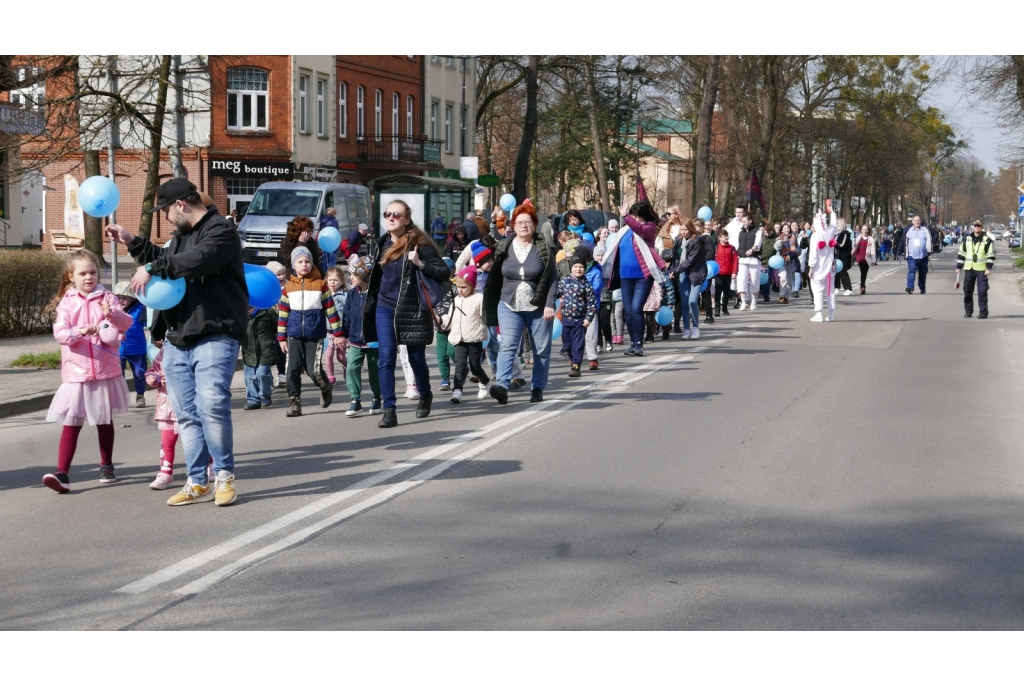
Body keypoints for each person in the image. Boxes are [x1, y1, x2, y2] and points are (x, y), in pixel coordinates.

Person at [108, 177, 247, 507]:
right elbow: (167, 257)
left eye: (166, 211)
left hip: (216, 332)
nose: (166, 218)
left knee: (212, 405)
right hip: (178, 335)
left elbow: (195, 260)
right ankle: (197, 481)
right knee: (185, 414)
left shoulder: (221, 231)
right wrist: (132, 241)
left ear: (181, 206)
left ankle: (224, 477)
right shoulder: (181, 236)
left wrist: (152, 266)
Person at [41, 250, 132, 493]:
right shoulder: (67, 303)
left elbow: (126, 324)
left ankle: (107, 465)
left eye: (92, 272)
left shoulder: (108, 297)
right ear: (71, 276)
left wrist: (111, 313)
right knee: (72, 421)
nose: (89, 277)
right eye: (83, 273)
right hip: (76, 372)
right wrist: (80, 332)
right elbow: (61, 334)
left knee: (104, 419)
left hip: (104, 368)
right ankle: (62, 472)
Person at [362, 199, 450, 427]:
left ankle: (425, 393)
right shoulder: (380, 244)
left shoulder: (420, 243)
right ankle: (389, 409)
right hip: (385, 307)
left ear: (407, 220)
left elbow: (443, 272)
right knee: (386, 358)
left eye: (396, 215)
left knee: (416, 358)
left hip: (412, 308)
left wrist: (420, 263)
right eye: (387, 214)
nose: (391, 218)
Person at [483, 200, 557, 404]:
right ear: (513, 225)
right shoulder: (504, 246)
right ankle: (503, 386)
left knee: (540, 349)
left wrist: (550, 303)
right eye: (520, 222)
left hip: (538, 305)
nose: (524, 225)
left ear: (534, 225)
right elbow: (494, 272)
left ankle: (537, 387)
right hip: (509, 304)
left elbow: (552, 277)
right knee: (507, 345)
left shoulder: (543, 248)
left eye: (528, 222)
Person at [277, 246, 341, 417]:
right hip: (294, 335)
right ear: (293, 265)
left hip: (315, 334)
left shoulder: (321, 285)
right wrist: (282, 338)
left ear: (312, 264)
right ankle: (294, 402)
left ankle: (325, 387)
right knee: (292, 369)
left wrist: (338, 334)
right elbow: (282, 315)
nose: (304, 264)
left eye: (307, 261)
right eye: (300, 262)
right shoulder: (288, 288)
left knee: (314, 370)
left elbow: (331, 311)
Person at [601, 200, 666, 357]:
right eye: (632, 215)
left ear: (642, 216)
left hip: (643, 277)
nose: (633, 218)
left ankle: (639, 344)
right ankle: (632, 343)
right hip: (625, 277)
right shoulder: (624, 231)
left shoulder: (648, 228)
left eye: (636, 215)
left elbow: (639, 230)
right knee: (628, 312)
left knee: (636, 309)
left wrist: (625, 216)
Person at [338, 257, 381, 416]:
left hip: (374, 340)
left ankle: (377, 399)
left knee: (374, 371)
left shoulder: (377, 293)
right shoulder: (351, 294)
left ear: (364, 276)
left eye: (354, 275)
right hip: (355, 340)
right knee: (351, 368)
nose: (350, 278)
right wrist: (343, 335)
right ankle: (355, 400)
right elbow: (347, 316)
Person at [448, 266, 491, 402]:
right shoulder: (456, 300)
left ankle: (485, 383)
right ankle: (457, 390)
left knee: (475, 367)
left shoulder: (479, 298)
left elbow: (486, 317)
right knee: (460, 366)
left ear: (471, 286)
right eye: (458, 287)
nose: (460, 290)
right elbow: (449, 318)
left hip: (474, 338)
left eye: (463, 287)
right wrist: (441, 321)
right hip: (459, 338)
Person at [556, 254, 597, 377]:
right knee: (567, 344)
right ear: (570, 268)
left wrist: (588, 319)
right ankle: (571, 357)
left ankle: (576, 365)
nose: (578, 269)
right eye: (575, 266)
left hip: (580, 320)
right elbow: (556, 294)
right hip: (566, 318)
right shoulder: (564, 282)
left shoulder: (586, 284)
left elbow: (591, 303)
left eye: (581, 267)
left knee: (578, 344)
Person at [670, 219, 707, 340]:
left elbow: (690, 261)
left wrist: (675, 270)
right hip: (683, 274)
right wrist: (672, 270)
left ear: (691, 229)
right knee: (684, 303)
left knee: (692, 301)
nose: (684, 232)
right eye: (682, 229)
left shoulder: (697, 241)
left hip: (696, 273)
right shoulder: (678, 240)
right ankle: (686, 329)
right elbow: (675, 257)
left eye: (686, 229)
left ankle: (695, 327)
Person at [113, 281, 148, 408]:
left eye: (125, 298)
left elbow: (148, 324)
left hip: (137, 348)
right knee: (118, 374)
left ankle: (140, 396)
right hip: (118, 349)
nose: (121, 300)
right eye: (118, 298)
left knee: (139, 374)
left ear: (132, 298)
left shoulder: (140, 309)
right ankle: (119, 398)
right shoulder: (113, 311)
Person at [956, 219, 995, 319]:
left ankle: (983, 312)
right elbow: (962, 253)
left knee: (982, 291)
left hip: (982, 269)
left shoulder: (987, 240)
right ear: (973, 227)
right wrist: (958, 267)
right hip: (969, 268)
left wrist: (988, 268)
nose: (977, 227)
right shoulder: (967, 238)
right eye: (976, 226)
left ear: (982, 227)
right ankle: (968, 311)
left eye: (979, 226)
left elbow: (990, 255)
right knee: (967, 291)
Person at [242, 304, 277, 410]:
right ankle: (253, 400)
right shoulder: (240, 314)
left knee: (261, 374)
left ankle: (265, 396)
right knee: (250, 377)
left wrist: (281, 341)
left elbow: (277, 328)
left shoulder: (268, 312)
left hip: (266, 350)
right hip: (248, 350)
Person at [808, 209, 838, 322]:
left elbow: (813, 254)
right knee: (830, 290)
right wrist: (833, 213)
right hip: (830, 267)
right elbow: (834, 225)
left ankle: (819, 313)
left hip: (818, 268)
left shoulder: (815, 236)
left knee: (818, 290)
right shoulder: (829, 232)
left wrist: (811, 268)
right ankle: (831, 314)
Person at [577, 244, 604, 370]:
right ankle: (574, 358)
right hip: (574, 308)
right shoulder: (574, 270)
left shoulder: (595, 271)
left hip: (590, 307)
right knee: (574, 334)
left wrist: (582, 291)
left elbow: (597, 289)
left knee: (591, 334)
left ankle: (592, 358)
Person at [323, 266, 348, 386]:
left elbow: (348, 305)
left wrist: (339, 297)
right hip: (329, 331)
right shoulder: (325, 295)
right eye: (330, 280)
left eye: (336, 280)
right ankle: (331, 377)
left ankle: (347, 369)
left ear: (342, 281)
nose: (333, 282)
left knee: (341, 357)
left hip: (341, 332)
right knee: (328, 354)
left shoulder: (344, 295)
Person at [266, 261, 288, 388]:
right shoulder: (268, 288)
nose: (281, 277)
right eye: (277, 275)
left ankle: (282, 375)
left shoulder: (288, 287)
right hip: (270, 324)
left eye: (283, 273)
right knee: (268, 352)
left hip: (283, 323)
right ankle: (268, 378)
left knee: (281, 350)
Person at [899, 215, 932, 294]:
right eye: (915, 220)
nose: (917, 222)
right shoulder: (908, 231)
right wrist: (899, 251)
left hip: (923, 255)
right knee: (912, 270)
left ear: (921, 222)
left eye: (918, 220)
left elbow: (933, 236)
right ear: (912, 222)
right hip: (911, 255)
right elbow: (903, 241)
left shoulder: (925, 230)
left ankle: (922, 288)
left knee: (922, 272)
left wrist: (931, 247)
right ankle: (910, 287)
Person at [736, 213, 762, 311]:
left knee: (754, 280)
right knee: (741, 280)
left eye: (745, 221)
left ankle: (754, 299)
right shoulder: (740, 233)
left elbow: (757, 243)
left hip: (754, 259)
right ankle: (743, 301)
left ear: (750, 221)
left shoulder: (757, 231)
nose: (744, 224)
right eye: (742, 222)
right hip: (742, 259)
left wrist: (752, 249)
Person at [593, 245, 614, 352]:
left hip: (606, 298)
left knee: (604, 321)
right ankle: (599, 343)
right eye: (598, 255)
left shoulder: (609, 266)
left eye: (602, 255)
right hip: (594, 299)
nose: (600, 257)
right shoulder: (592, 267)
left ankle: (609, 340)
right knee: (596, 323)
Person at [714, 229, 738, 316]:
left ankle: (725, 307)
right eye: (724, 236)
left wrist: (734, 272)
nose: (726, 237)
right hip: (719, 274)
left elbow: (735, 261)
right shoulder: (716, 248)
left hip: (728, 273)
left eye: (727, 235)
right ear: (719, 238)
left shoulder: (732, 248)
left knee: (726, 292)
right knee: (718, 291)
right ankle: (717, 309)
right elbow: (713, 260)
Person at [773, 225, 799, 304]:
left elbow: (798, 249)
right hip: (781, 261)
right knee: (783, 277)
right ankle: (781, 296)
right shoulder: (779, 238)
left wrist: (797, 251)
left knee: (790, 280)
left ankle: (786, 296)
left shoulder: (793, 238)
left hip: (791, 261)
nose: (786, 230)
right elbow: (777, 247)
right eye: (784, 228)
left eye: (788, 228)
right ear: (782, 230)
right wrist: (780, 242)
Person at [759, 222, 779, 304]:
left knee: (767, 280)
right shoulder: (760, 236)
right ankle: (760, 290)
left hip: (770, 262)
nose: (767, 234)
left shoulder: (775, 238)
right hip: (759, 260)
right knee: (759, 279)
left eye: (769, 232)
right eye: (766, 232)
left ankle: (766, 295)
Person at [853, 225, 877, 295]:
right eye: (863, 229)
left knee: (865, 273)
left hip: (867, 258)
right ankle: (862, 286)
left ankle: (863, 284)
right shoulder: (858, 238)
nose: (865, 231)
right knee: (863, 272)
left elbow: (873, 250)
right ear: (861, 230)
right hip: (860, 257)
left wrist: (873, 260)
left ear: (868, 231)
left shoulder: (871, 239)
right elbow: (855, 247)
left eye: (866, 230)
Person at [833, 219, 853, 296]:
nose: (836, 225)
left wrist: (834, 244)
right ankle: (836, 287)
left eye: (837, 223)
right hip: (836, 255)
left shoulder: (845, 234)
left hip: (843, 256)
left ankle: (848, 288)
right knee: (836, 272)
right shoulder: (836, 234)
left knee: (843, 272)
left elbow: (842, 245)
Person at [318, 207, 341, 272]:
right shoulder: (334, 221)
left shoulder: (322, 220)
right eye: (335, 213)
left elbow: (320, 230)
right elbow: (336, 232)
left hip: (324, 241)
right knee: (332, 258)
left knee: (325, 257)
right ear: (333, 213)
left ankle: (324, 272)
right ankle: (331, 272)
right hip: (332, 241)